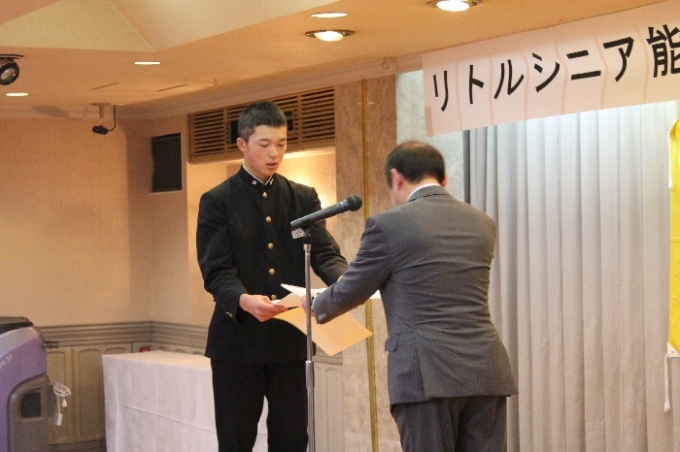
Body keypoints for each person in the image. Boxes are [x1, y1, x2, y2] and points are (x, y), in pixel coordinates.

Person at [303, 140, 517, 452]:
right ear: (444, 179)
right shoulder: (482, 223)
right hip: (486, 370)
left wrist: (314, 304)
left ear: (396, 177)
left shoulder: (389, 225)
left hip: (425, 372)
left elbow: (351, 290)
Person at [196, 100, 348, 452]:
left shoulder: (302, 197)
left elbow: (325, 254)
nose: (274, 153)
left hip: (290, 342)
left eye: (281, 144)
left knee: (292, 439)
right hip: (236, 342)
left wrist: (346, 284)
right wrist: (244, 299)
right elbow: (216, 270)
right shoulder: (218, 200)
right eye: (264, 144)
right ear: (242, 144)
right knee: (236, 442)